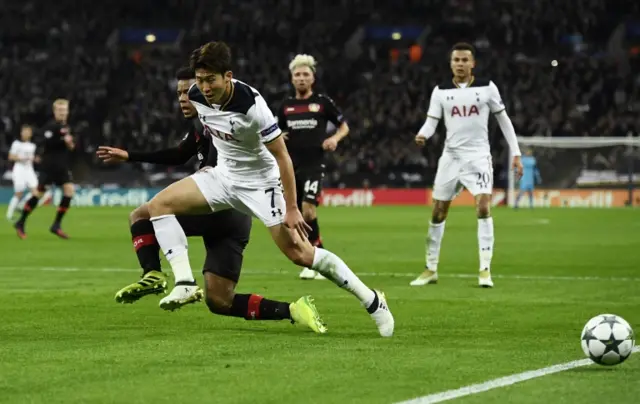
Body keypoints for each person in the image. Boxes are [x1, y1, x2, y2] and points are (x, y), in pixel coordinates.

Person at [145, 41, 393, 337]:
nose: (204, 87)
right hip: (223, 177)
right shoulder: (197, 96)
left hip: (260, 183)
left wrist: (291, 208)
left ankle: (373, 301)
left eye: (211, 80)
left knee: (301, 254)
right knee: (157, 206)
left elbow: (283, 158)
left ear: (228, 75)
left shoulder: (252, 106)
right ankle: (185, 284)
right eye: (200, 80)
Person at [97, 67, 325, 333]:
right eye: (179, 93)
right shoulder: (204, 125)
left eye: (187, 91)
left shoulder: (223, 119)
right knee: (220, 299)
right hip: (237, 220)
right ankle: (294, 310)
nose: (183, 98)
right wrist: (130, 155)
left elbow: (231, 161)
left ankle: (156, 275)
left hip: (219, 206)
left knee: (142, 215)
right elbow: (180, 154)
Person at [410, 42, 523, 288]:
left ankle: (485, 270)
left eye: (464, 60)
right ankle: (431, 269)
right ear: (451, 63)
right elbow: (432, 122)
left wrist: (516, 152)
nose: (460, 64)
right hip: (450, 158)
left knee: (483, 207)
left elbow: (504, 120)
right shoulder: (440, 91)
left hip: (478, 156)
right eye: (456, 60)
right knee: (439, 212)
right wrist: (423, 135)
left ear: (473, 63)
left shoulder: (486, 88)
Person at [277, 54, 350, 280]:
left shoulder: (322, 103)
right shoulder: (286, 106)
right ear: (291, 79)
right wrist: (280, 135)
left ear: (313, 78)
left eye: (305, 74)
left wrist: (335, 139)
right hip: (290, 166)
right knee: (296, 214)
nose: (301, 78)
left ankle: (317, 255)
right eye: (297, 75)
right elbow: (273, 133)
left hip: (313, 164)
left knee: (308, 210)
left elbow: (344, 126)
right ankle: (314, 258)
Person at [15, 99, 75, 239]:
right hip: (49, 166)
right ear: (55, 111)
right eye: (59, 110)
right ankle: (21, 221)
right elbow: (44, 141)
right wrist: (62, 141)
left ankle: (56, 225)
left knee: (69, 191)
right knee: (38, 194)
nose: (62, 112)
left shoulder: (65, 126)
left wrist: (70, 144)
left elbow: (68, 144)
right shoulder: (51, 126)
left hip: (61, 166)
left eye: (64, 110)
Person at [6, 125, 39, 221]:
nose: (26, 133)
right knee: (18, 193)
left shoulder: (33, 146)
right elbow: (11, 157)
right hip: (19, 169)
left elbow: (32, 158)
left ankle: (20, 205)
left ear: (31, 134)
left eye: (28, 132)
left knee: (36, 193)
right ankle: (9, 215)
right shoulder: (16, 144)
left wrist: (35, 159)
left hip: (29, 169)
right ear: (21, 133)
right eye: (24, 131)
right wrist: (23, 158)